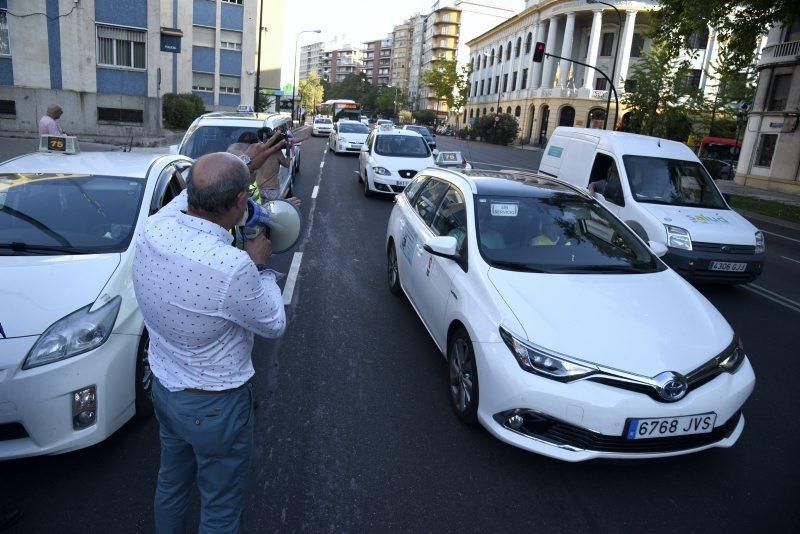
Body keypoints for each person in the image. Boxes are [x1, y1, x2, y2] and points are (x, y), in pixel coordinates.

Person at [132, 152, 286, 534]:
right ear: (239, 203)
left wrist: (242, 167)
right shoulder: (232, 268)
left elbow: (194, 194)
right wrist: (260, 264)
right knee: (219, 508)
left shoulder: (154, 226)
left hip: (166, 391)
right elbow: (273, 323)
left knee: (171, 484)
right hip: (215, 405)